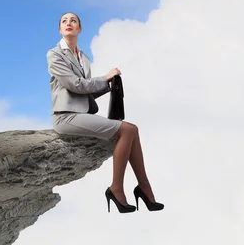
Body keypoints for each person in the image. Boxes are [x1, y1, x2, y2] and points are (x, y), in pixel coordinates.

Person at [46, 12, 164, 213]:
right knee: (127, 130)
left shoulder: (83, 58)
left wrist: (110, 84)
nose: (68, 23)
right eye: (64, 21)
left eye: (73, 21)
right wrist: (104, 77)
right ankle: (116, 188)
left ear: (79, 29)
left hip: (81, 114)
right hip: (65, 117)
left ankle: (144, 188)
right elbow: (75, 85)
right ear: (59, 29)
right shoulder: (54, 54)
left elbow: (86, 92)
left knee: (132, 130)